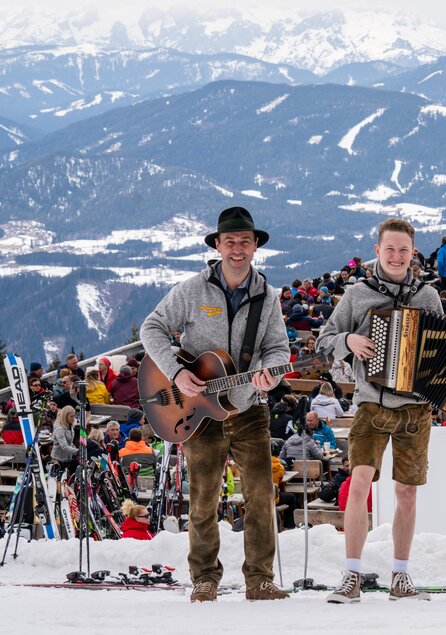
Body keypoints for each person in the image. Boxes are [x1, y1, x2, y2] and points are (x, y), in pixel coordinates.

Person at [319, 219, 446, 604]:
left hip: (416, 410)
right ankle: (352, 575)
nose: (396, 257)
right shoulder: (358, 294)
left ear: (414, 254)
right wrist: (349, 339)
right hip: (372, 404)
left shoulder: (426, 296)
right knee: (358, 485)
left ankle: (401, 575)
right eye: (390, 249)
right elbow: (327, 338)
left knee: (407, 493)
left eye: (404, 250)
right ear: (377, 251)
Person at [139, 206, 290, 602]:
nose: (237, 249)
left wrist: (271, 373)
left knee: (260, 495)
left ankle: (260, 579)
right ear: (218, 245)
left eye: (244, 242)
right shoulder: (192, 290)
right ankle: (204, 577)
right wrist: (174, 372)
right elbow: (151, 327)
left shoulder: (266, 296)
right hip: (197, 414)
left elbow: (277, 348)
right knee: (203, 498)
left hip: (248, 410)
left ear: (255, 246)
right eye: (230, 242)